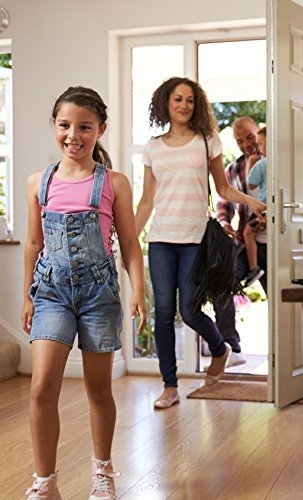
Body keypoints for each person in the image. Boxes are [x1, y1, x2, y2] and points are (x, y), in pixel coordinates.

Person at [21, 86, 147, 499]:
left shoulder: (115, 182)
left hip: (99, 295)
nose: (73, 134)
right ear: (54, 126)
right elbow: (34, 244)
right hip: (52, 292)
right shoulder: (39, 182)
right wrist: (27, 296)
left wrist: (137, 291)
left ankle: (102, 473)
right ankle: (46, 483)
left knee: (97, 390)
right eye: (65, 125)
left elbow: (129, 243)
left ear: (100, 130)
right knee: (41, 386)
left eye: (84, 127)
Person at [134, 77, 266, 410]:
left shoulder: (207, 141)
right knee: (163, 313)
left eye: (190, 100)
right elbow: (147, 200)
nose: (184, 105)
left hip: (195, 240)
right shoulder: (153, 147)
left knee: (190, 311)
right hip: (162, 239)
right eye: (177, 99)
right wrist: (128, 239)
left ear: (197, 105)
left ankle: (219, 348)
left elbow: (222, 188)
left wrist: (255, 203)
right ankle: (169, 385)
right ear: (166, 102)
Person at [214, 117, 268, 366]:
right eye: (240, 140)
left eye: (250, 136)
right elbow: (224, 204)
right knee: (222, 282)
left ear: (258, 132)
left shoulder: (275, 162)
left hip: (274, 242)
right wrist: (224, 222)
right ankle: (231, 348)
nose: (247, 143)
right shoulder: (232, 171)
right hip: (246, 243)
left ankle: (294, 356)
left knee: (282, 298)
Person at [243, 126, 267, 287]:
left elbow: (251, 185)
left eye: (261, 143)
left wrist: (251, 164)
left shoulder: (261, 164)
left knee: (248, 232)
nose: (259, 148)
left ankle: (253, 268)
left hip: (264, 208)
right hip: (277, 210)